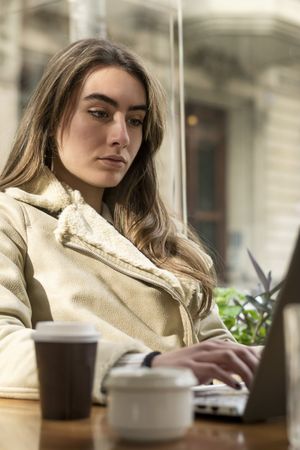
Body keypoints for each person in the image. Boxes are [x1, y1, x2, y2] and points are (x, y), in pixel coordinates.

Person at [0, 38, 259, 403]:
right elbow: (3, 349)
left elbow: (216, 352)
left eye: (135, 120)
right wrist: (145, 367)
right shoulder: (11, 218)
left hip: (192, 425)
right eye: (99, 113)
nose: (121, 137)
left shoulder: (165, 241)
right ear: (50, 117)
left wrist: (268, 362)